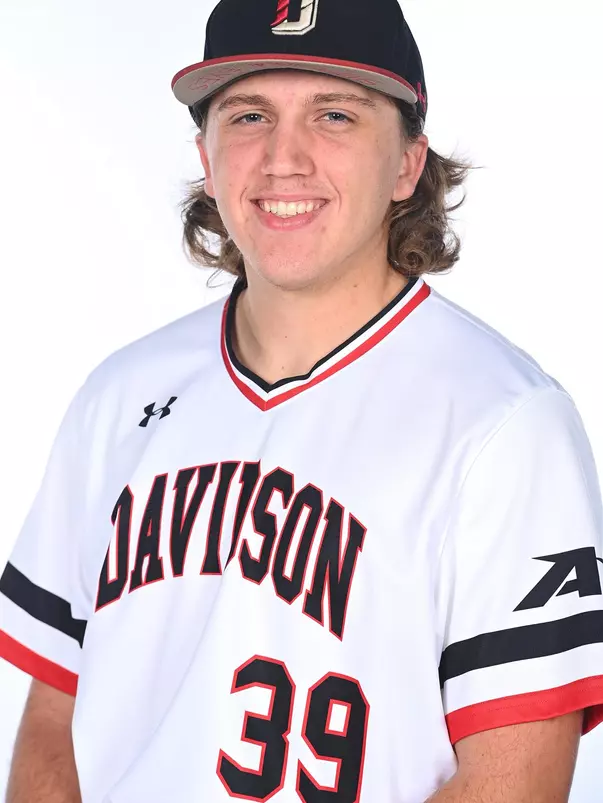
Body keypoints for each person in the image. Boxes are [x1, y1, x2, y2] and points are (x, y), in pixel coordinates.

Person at [1, 0, 602, 800]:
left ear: (407, 164)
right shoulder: (120, 395)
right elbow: (52, 721)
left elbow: (512, 782)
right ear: (207, 159)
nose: (284, 157)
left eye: (335, 115)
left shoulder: (505, 422)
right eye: (248, 114)